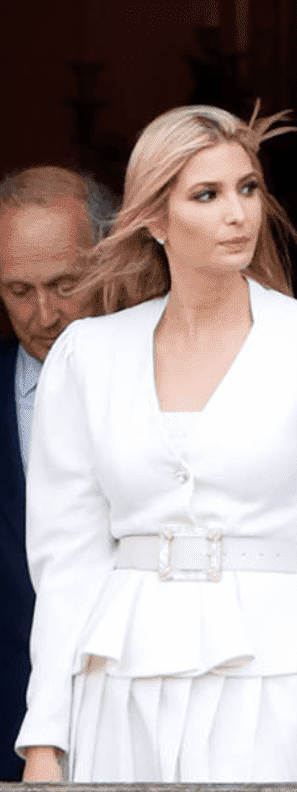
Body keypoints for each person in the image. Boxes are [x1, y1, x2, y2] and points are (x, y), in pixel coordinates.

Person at [16, 105, 297, 783]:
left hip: (277, 676)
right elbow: (66, 564)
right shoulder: (86, 356)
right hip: (121, 684)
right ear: (155, 219)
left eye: (248, 188)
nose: (238, 213)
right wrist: (44, 739)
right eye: (207, 194)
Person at [0, 166, 113, 781]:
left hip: (140, 720)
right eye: (17, 291)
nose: (43, 314)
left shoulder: (169, 372)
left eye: (65, 283)